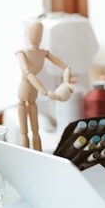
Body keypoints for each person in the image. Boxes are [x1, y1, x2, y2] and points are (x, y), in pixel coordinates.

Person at [16, 20, 72, 151]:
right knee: (24, 132)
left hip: (34, 90)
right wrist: (45, 91)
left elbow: (66, 67)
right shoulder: (21, 52)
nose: (36, 35)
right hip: (25, 87)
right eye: (34, 31)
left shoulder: (43, 52)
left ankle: (38, 153)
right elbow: (27, 72)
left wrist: (67, 83)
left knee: (36, 130)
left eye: (39, 32)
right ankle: (25, 155)